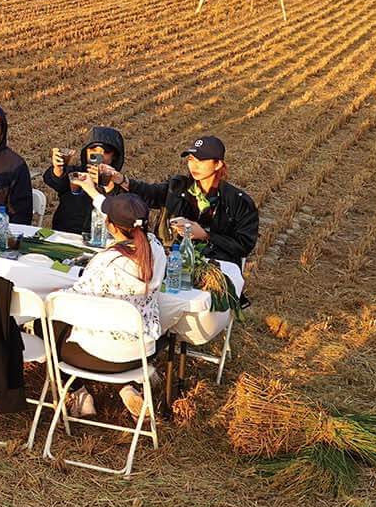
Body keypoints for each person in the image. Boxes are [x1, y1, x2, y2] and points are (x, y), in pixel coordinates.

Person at [58, 192, 164, 420]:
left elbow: (69, 302)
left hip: (98, 354)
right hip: (140, 355)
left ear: (110, 225)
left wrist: (55, 291)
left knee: (47, 326)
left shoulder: (107, 262)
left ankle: (81, 395)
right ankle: (126, 387)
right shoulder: (156, 249)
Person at [100, 134, 259, 268]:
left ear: (217, 164)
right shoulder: (178, 187)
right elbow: (149, 193)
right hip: (171, 261)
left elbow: (243, 246)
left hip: (213, 266)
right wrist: (120, 179)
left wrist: (205, 235)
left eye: (201, 160)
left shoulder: (239, 202)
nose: (194, 165)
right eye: (191, 159)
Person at [45, 127, 127, 237]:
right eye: (93, 150)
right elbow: (55, 181)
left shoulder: (120, 183)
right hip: (66, 235)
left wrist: (109, 184)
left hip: (100, 239)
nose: (99, 156)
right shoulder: (75, 174)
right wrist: (58, 168)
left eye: (106, 151)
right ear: (86, 152)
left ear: (114, 156)